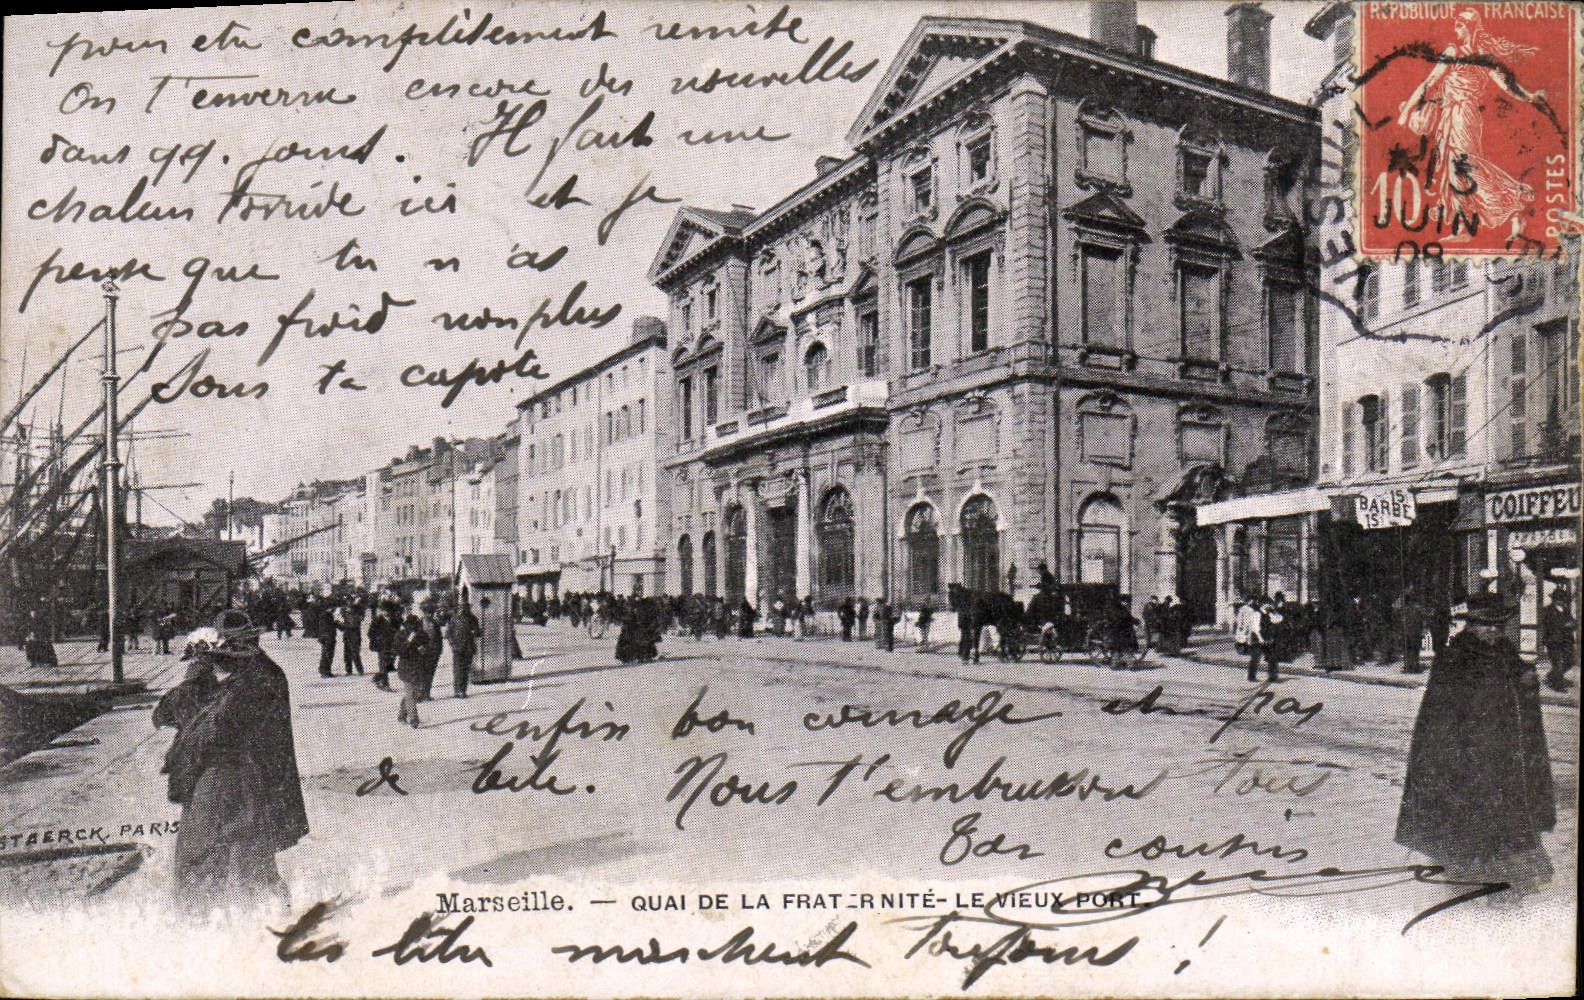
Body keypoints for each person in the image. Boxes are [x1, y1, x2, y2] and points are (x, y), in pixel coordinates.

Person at [1395, 592, 1555, 896]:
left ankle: (1502, 886)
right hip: (1469, 760)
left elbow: (1521, 707)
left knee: (1505, 832)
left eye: (1498, 626)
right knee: (1470, 838)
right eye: (1485, 626)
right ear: (1470, 625)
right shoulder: (1454, 660)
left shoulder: (1507, 655)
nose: (1493, 632)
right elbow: (1438, 723)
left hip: (1504, 758)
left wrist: (1527, 683)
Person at [152, 611, 308, 916]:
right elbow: (164, 712)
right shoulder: (237, 675)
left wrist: (195, 684)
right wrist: (197, 679)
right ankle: (268, 920)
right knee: (249, 862)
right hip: (237, 782)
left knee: (205, 860)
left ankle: (200, 927)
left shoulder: (258, 679)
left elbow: (217, 728)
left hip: (234, 778)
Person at [1395, 7, 1549, 244]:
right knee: (1457, 170)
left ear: (1470, 27)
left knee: (1464, 166)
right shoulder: (1455, 52)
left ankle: (1511, 200)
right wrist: (1406, 110)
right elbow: (1430, 81)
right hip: (1450, 115)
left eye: (1459, 25)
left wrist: (1529, 96)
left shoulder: (1480, 57)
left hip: (1464, 115)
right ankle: (1468, 225)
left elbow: (1507, 85)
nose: (1456, 29)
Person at [395, 613, 433, 728]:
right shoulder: (401, 635)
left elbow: (428, 649)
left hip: (419, 667)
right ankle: (413, 719)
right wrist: (408, 642)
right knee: (411, 692)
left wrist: (424, 650)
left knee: (417, 693)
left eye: (416, 625)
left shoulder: (422, 635)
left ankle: (402, 714)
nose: (414, 627)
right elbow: (399, 651)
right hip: (406, 668)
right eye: (411, 625)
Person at [1540, 586, 1575, 693]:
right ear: (1555, 600)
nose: (1563, 602)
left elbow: (1573, 622)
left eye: (1564, 599)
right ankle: (1557, 684)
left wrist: (1573, 624)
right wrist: (1564, 625)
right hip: (1553, 641)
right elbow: (1548, 626)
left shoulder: (1566, 610)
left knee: (1570, 660)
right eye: (1561, 599)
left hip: (1566, 641)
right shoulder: (1546, 610)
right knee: (1558, 662)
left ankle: (1552, 676)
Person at [447, 600, 481, 698]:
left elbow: (478, 632)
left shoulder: (473, 619)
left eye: (466, 607)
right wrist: (452, 644)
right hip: (457, 648)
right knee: (457, 669)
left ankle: (462, 690)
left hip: (468, 647)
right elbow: (448, 633)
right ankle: (457, 690)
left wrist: (475, 632)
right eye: (461, 607)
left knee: (465, 670)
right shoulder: (454, 619)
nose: (463, 609)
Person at [367, 598, 399, 691]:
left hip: (392, 645)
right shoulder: (377, 620)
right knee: (383, 665)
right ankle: (384, 684)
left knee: (388, 664)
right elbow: (370, 633)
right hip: (381, 646)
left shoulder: (395, 620)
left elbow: (399, 631)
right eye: (384, 611)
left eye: (388, 611)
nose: (386, 613)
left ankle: (377, 678)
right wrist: (378, 638)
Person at [338, 599, 365, 676]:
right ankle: (349, 670)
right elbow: (343, 621)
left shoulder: (358, 611)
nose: (348, 605)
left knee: (355, 652)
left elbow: (356, 622)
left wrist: (351, 612)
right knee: (347, 653)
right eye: (347, 603)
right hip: (347, 634)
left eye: (349, 603)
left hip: (355, 634)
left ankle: (360, 670)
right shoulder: (344, 611)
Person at [315, 600, 338, 678]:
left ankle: (325, 671)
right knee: (327, 655)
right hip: (327, 638)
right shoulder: (326, 615)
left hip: (327, 637)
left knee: (327, 655)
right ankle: (325, 672)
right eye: (334, 608)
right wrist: (334, 624)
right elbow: (325, 627)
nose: (335, 609)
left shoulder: (327, 615)